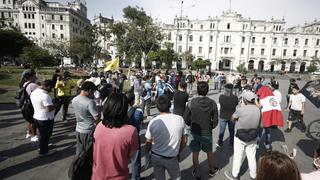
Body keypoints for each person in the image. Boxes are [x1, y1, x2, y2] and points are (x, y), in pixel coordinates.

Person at [145, 96, 188, 180]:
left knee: (159, 177)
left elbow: (148, 143)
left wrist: (147, 155)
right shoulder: (179, 119)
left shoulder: (153, 121)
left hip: (156, 156)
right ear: (170, 104)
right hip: (172, 157)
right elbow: (185, 140)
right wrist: (178, 151)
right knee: (176, 177)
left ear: (157, 107)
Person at [184, 81, 219, 179]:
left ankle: (198, 173)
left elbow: (186, 118)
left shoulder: (191, 102)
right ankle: (212, 170)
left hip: (195, 131)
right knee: (209, 151)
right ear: (207, 91)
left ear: (197, 90)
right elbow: (215, 121)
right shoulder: (212, 103)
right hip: (207, 131)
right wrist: (210, 126)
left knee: (195, 153)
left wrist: (191, 124)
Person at [224, 91, 261, 180]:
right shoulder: (258, 109)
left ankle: (235, 175)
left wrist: (237, 120)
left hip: (240, 136)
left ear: (244, 99)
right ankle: (253, 175)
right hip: (253, 135)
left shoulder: (241, 109)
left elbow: (232, 118)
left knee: (238, 156)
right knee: (252, 156)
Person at [72, 81, 100, 156]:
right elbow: (96, 117)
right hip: (88, 130)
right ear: (90, 90)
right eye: (93, 91)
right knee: (88, 152)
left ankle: (77, 165)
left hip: (78, 128)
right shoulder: (90, 102)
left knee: (79, 151)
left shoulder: (74, 99)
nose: (93, 94)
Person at [30, 80, 56, 157]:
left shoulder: (34, 92)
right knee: (45, 135)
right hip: (45, 118)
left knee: (41, 134)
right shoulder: (45, 96)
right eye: (51, 88)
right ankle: (43, 152)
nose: (51, 90)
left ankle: (42, 146)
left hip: (37, 116)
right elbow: (48, 109)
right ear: (47, 87)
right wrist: (55, 104)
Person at [126, 92, 144, 180]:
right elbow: (141, 122)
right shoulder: (138, 111)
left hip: (122, 136)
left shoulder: (119, 110)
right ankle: (135, 177)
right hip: (134, 136)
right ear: (133, 101)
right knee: (135, 159)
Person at [217, 83, 238, 148]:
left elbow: (221, 103)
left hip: (223, 116)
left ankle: (220, 143)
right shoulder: (235, 97)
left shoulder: (221, 96)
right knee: (232, 131)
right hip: (232, 116)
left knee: (221, 131)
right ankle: (231, 144)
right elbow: (236, 104)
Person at [22, 69, 39, 142]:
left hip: (26, 104)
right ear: (31, 76)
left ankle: (28, 133)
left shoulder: (25, 83)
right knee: (33, 121)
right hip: (32, 105)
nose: (36, 76)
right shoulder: (33, 85)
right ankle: (34, 136)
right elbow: (41, 91)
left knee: (30, 120)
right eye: (35, 75)